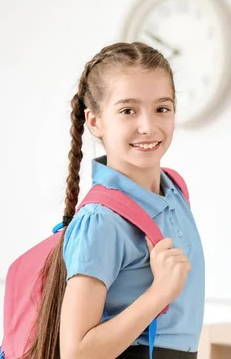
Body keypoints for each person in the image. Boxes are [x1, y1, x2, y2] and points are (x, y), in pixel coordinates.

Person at [24, 42, 205, 359]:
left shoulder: (175, 189)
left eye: (162, 108)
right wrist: (160, 292)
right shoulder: (102, 220)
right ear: (95, 122)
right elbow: (76, 353)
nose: (148, 126)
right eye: (128, 111)